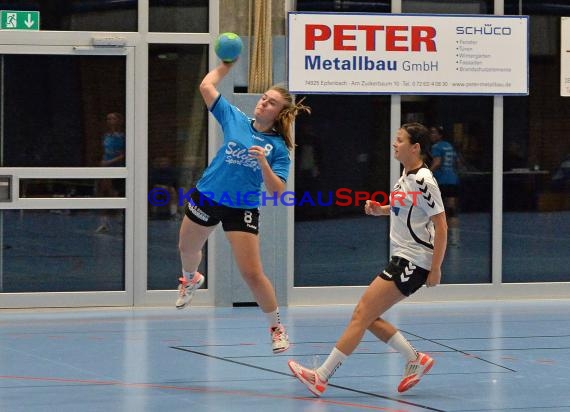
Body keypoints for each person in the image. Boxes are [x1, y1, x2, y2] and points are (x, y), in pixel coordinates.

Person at [288, 123, 447, 396]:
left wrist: (436, 269)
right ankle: (415, 359)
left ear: (415, 147)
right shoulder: (405, 176)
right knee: (368, 316)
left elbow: (441, 225)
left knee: (362, 314)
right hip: (403, 258)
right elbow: (406, 210)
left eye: (399, 140)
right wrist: (381, 210)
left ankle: (321, 376)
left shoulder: (424, 180)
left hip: (414, 261)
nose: (394, 144)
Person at [176, 60, 311, 354]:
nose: (263, 103)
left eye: (271, 102)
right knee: (187, 249)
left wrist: (263, 162)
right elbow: (206, 86)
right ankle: (191, 279)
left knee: (251, 273)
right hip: (207, 195)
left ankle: (277, 329)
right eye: (263, 98)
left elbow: (278, 192)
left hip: (241, 207)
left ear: (280, 113)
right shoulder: (234, 118)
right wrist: (226, 65)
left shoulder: (278, 149)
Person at [429, 125, 460, 246]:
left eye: (433, 133)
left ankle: (437, 239)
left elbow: (437, 162)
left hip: (441, 181)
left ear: (439, 135)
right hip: (452, 180)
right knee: (452, 210)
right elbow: (456, 162)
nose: (431, 135)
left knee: (437, 211)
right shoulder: (449, 146)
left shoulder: (436, 147)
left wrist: (427, 173)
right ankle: (455, 239)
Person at [95, 112, 126, 233]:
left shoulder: (123, 136)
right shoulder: (106, 136)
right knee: (104, 193)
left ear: (119, 121)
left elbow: (124, 154)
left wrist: (110, 162)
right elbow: (105, 151)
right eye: (108, 119)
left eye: (113, 118)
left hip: (119, 167)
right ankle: (104, 223)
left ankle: (121, 219)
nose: (110, 121)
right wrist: (103, 162)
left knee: (117, 194)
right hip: (106, 167)